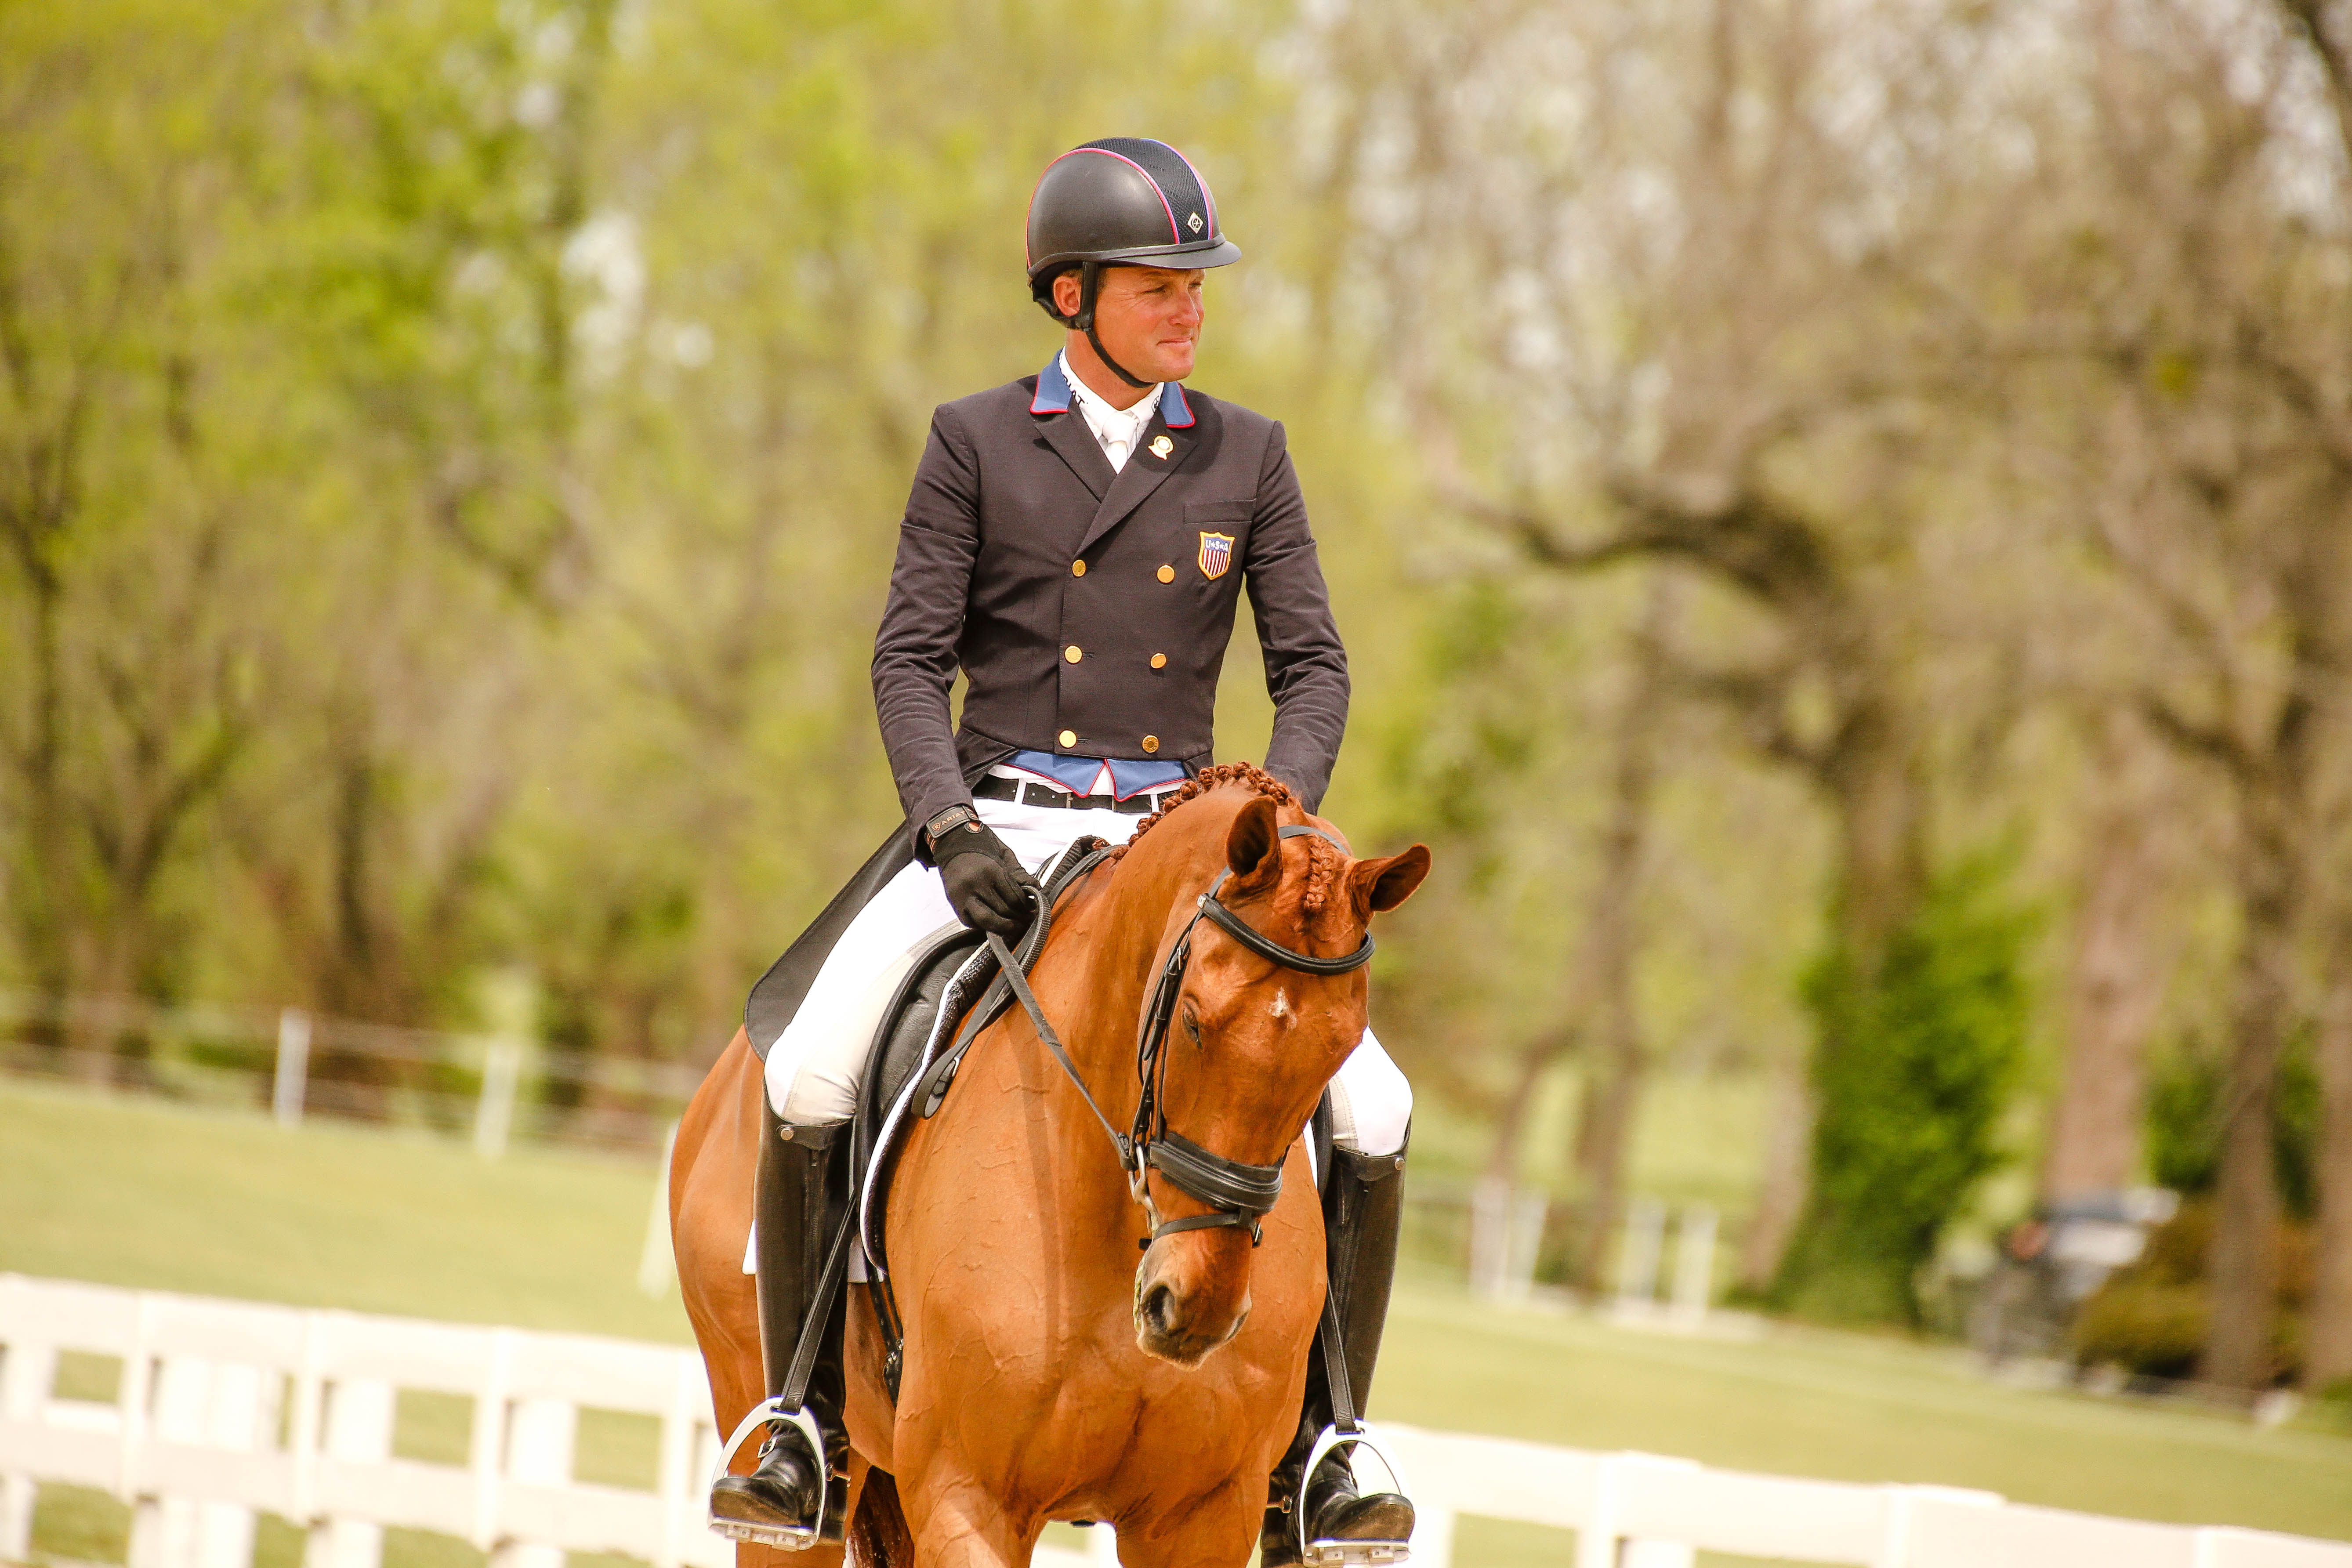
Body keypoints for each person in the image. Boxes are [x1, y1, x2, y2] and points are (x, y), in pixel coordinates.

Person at [709, 138, 1416, 1564]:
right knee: (812, 1062)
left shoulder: (1246, 455)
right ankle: (798, 1419)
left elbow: (1316, 670)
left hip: (1189, 838)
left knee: (1374, 1108)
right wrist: (948, 825)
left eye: (1197, 288)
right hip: (1002, 820)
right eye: (1161, 286)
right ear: (1072, 293)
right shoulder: (975, 440)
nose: (1190, 311)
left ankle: (1325, 1444)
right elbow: (909, 661)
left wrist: (1265, 833)